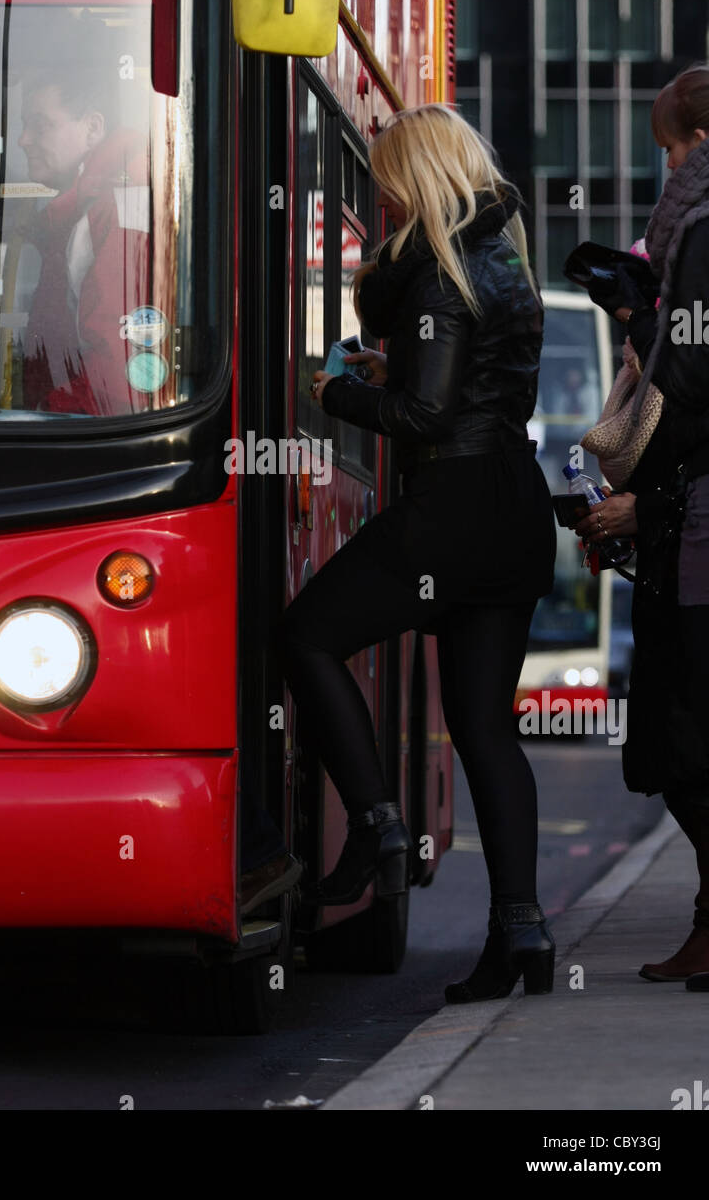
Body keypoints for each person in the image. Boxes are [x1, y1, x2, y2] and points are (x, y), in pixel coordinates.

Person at [277, 103, 557, 1003]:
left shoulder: (438, 274)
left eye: (391, 179)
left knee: (306, 637)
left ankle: (376, 826)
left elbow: (430, 419)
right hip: (514, 503)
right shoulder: (505, 260)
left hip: (455, 505)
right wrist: (389, 374)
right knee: (485, 727)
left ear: (418, 176)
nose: (386, 197)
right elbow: (468, 385)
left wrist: (332, 391)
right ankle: (523, 932)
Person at [575, 63, 709, 990]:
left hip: (698, 516)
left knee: (687, 730)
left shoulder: (700, 228)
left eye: (666, 149)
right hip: (688, 510)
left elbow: (697, 393)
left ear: (695, 144)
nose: (663, 169)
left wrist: (646, 502)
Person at [17, 67, 150, 416]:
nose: (23, 139)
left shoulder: (117, 207)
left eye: (40, 124)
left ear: (93, 128)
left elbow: (116, 372)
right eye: (24, 125)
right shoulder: (98, 205)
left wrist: (50, 420)